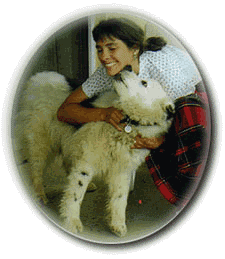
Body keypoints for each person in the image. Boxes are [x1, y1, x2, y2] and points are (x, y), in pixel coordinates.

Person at [57, 18, 208, 208]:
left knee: (185, 118)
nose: (104, 57)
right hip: (160, 112)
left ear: (134, 48)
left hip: (199, 104)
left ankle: (196, 196)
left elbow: (187, 119)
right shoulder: (109, 71)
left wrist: (162, 141)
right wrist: (103, 114)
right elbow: (64, 110)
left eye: (112, 48)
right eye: (99, 49)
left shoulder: (164, 72)